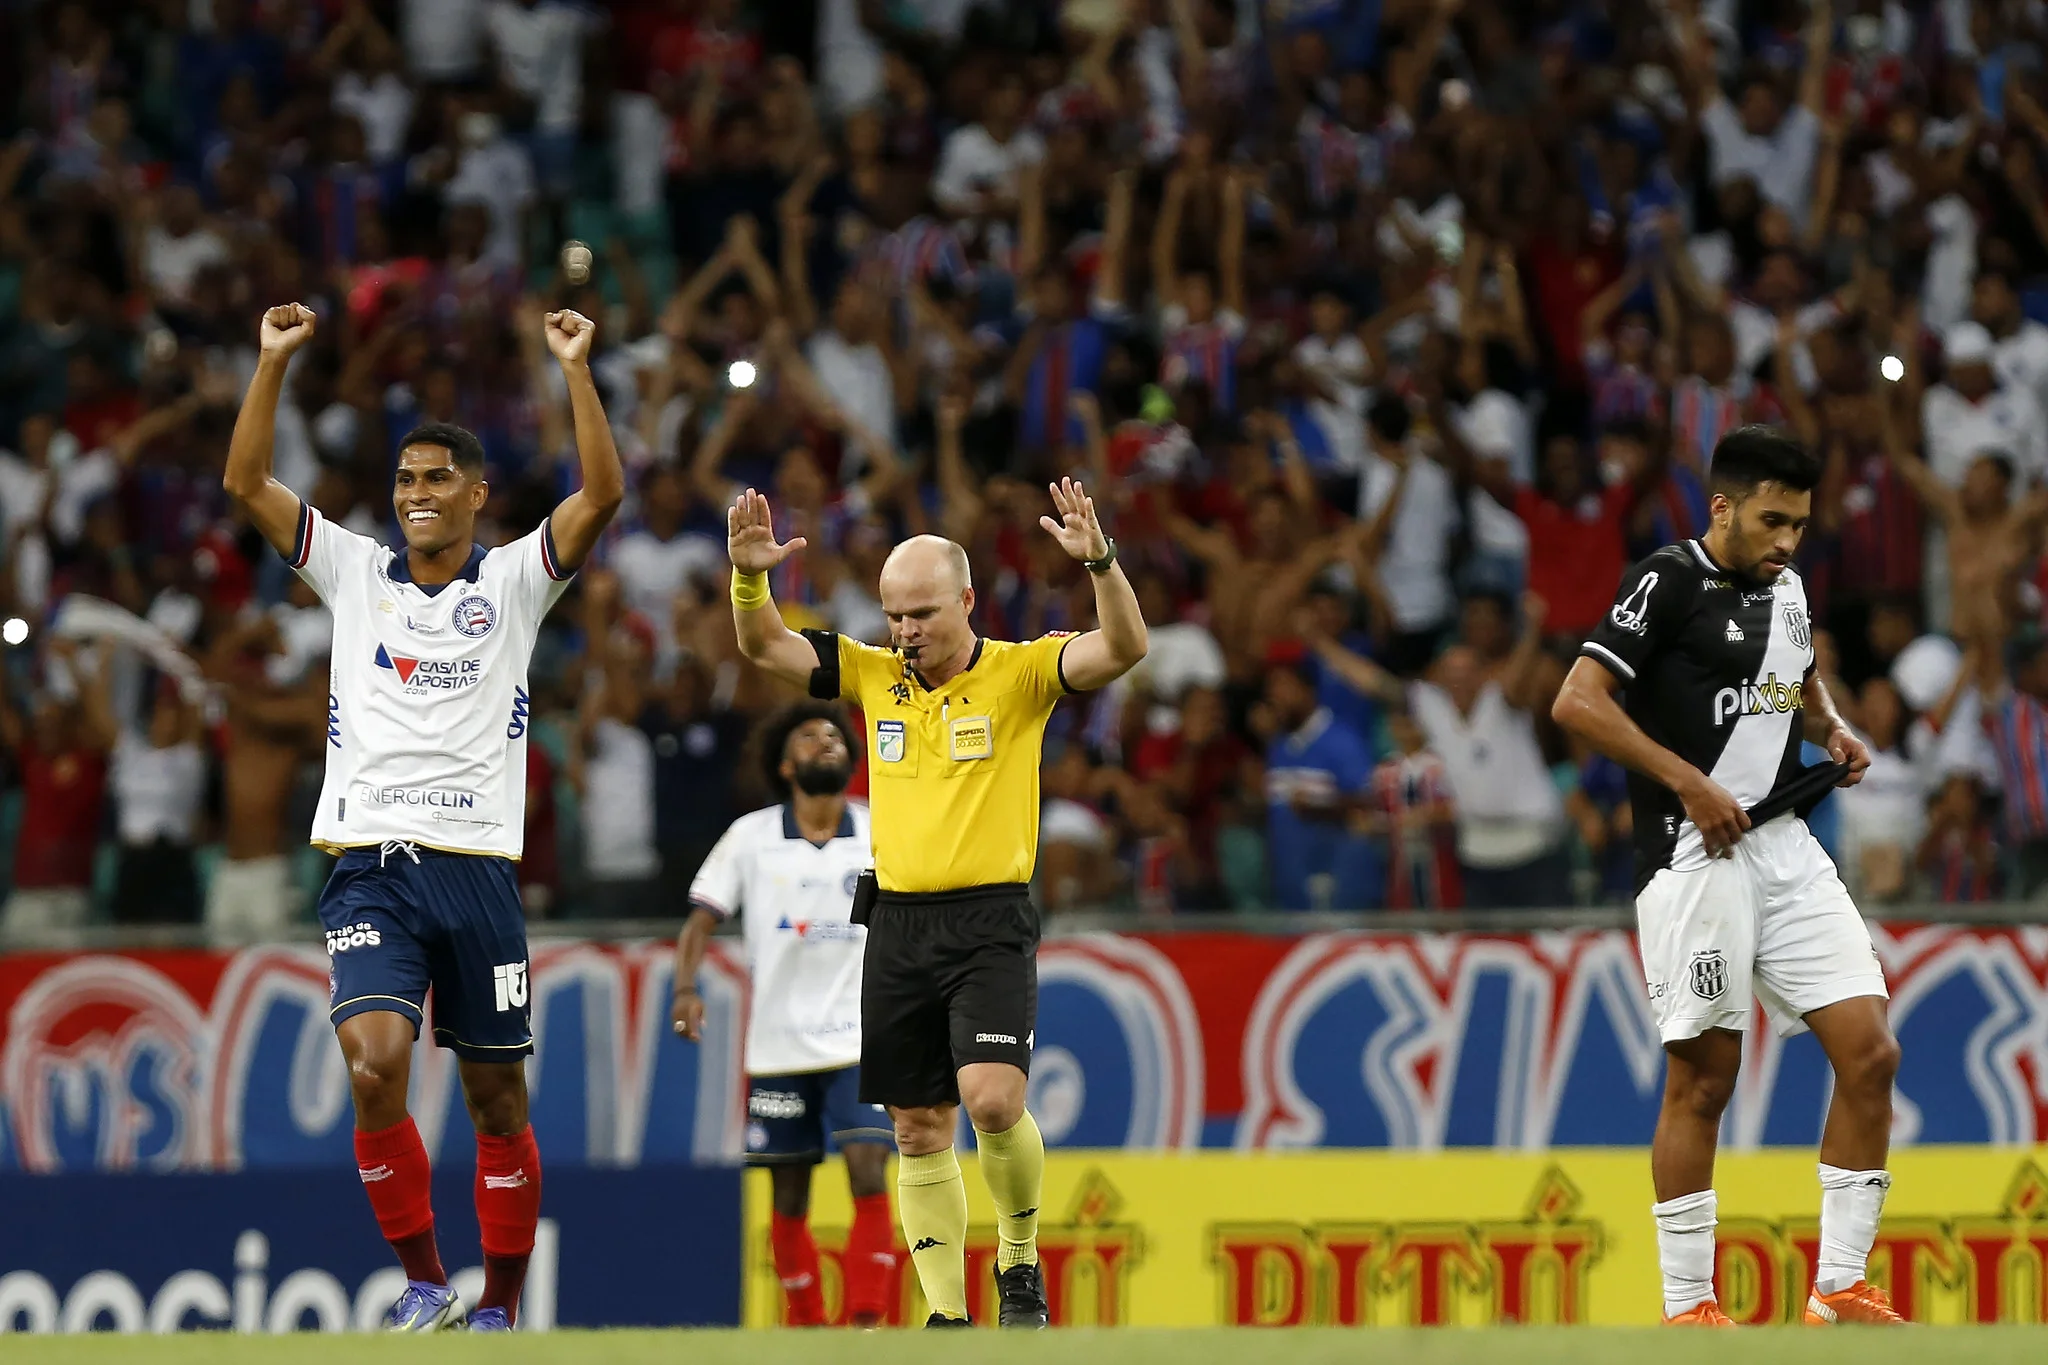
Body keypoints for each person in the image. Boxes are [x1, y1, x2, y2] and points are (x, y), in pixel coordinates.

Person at [221, 302, 623, 1331]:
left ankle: (500, 1306)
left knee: (496, 1102)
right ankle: (422, 1281)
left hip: (479, 870)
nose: (417, 494)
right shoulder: (353, 572)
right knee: (374, 1065)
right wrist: (271, 362)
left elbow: (602, 494)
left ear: (478, 494)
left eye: (438, 478)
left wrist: (575, 369)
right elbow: (246, 485)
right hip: (371, 865)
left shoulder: (515, 580)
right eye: (405, 480)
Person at [726, 478, 1148, 1328]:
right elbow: (766, 645)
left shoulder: (1023, 671)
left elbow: (1124, 647)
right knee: (917, 1128)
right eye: (893, 614)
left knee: (992, 1102)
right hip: (897, 924)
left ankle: (1019, 1260)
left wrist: (1099, 559)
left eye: (922, 612)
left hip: (989, 919)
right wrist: (747, 579)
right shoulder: (873, 675)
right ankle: (949, 1320)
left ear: (966, 599)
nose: (906, 630)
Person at [1553, 425, 1901, 1327]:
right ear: (1723, 506)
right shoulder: (1666, 579)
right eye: (1773, 519)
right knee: (1703, 1082)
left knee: (1871, 1053)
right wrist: (1687, 780)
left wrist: (1829, 728)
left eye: (1800, 525)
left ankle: (1839, 1287)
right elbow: (1576, 701)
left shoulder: (1786, 588)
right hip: (1691, 852)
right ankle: (1688, 1305)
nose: (1789, 541)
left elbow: (1799, 675)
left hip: (1786, 846)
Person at [669, 702, 897, 1328]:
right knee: (789, 1192)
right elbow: (700, 920)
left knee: (868, 1169)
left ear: (851, 759)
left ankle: (867, 1324)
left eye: (834, 737)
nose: (825, 743)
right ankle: (807, 1327)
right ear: (784, 763)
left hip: (860, 1038)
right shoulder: (750, 836)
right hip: (777, 1044)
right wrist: (686, 989)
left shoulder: (884, 830)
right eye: (808, 736)